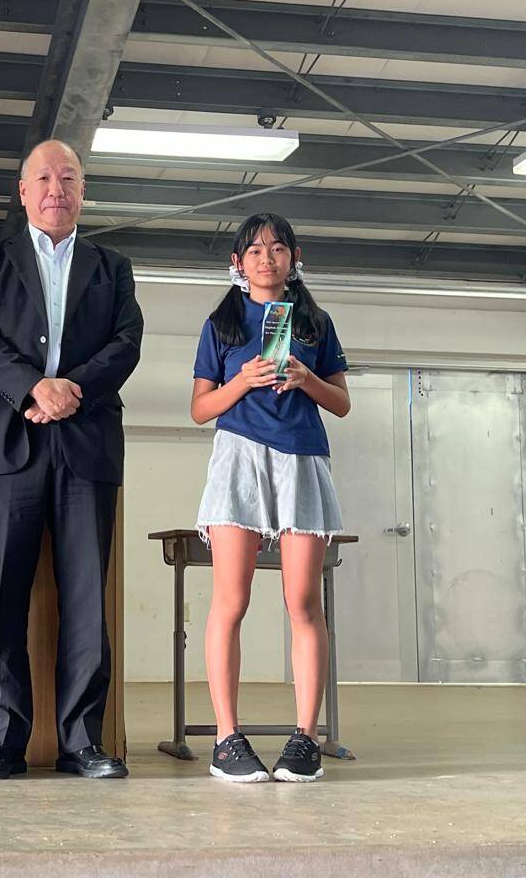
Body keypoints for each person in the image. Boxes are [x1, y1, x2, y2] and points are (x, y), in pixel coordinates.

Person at [0, 139, 143, 780]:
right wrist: (34, 388)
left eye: (68, 178)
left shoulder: (112, 266)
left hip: (87, 441)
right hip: (8, 441)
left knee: (87, 595)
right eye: (43, 178)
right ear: (23, 191)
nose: (55, 189)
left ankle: (82, 742)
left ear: (83, 191)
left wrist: (72, 391)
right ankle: (2, 743)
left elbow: (127, 340)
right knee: (2, 595)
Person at [190, 212, 350, 784]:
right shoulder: (222, 323)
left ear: (294, 258)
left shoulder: (315, 322)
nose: (266, 258)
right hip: (238, 459)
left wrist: (307, 379)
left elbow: (342, 403)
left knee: (303, 601)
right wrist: (242, 381)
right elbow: (200, 408)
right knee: (230, 601)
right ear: (237, 262)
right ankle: (226, 739)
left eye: (278, 248)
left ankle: (305, 738)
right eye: (255, 250)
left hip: (302, 459)